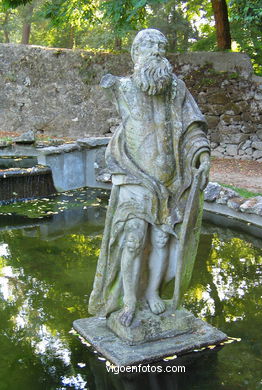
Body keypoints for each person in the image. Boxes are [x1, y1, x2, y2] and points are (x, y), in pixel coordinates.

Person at [88, 29, 210, 327]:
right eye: (150, 45)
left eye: (162, 45)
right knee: (132, 240)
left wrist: (202, 154)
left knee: (160, 240)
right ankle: (129, 300)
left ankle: (154, 292)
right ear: (135, 51)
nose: (157, 50)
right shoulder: (122, 87)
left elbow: (193, 127)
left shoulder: (177, 89)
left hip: (172, 179)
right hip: (136, 178)